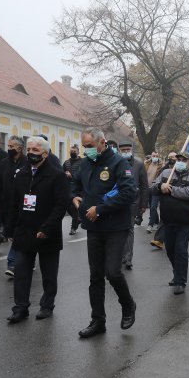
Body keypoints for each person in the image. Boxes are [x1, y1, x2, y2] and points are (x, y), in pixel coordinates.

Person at [72, 128, 137, 338]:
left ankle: (128, 305)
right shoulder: (85, 164)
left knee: (113, 272)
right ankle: (97, 320)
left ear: (102, 142)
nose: (86, 151)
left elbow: (128, 193)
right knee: (95, 276)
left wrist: (100, 208)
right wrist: (74, 197)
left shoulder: (119, 163)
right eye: (84, 147)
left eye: (89, 147)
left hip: (116, 226)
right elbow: (74, 184)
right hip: (94, 227)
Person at [5, 137, 69, 323]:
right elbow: (14, 203)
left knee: (49, 274)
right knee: (21, 273)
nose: (31, 152)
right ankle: (20, 308)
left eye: (35, 149)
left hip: (47, 233)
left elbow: (60, 205)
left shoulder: (57, 176)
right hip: (24, 232)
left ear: (45, 154)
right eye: (29, 149)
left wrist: (47, 228)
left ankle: (47, 305)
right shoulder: (22, 174)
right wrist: (9, 229)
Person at [151, 152, 189, 294]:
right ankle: (176, 272)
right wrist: (161, 186)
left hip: (185, 220)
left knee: (181, 250)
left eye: (184, 160)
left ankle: (180, 281)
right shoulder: (166, 172)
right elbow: (153, 188)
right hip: (168, 219)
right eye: (178, 159)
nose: (180, 161)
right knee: (170, 250)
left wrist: (170, 190)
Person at [0, 136, 26, 278]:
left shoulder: (28, 163)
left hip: (22, 205)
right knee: (12, 233)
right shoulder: (4, 163)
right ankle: (26, 256)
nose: (9, 149)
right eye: (8, 146)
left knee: (18, 232)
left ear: (19, 148)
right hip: (6, 205)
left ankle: (12, 262)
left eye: (12, 147)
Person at [118, 141, 148, 270]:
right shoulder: (115, 163)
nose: (125, 152)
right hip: (117, 201)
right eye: (123, 150)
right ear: (119, 151)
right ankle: (120, 255)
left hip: (133, 202)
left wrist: (143, 205)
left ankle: (128, 257)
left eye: (127, 149)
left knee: (129, 229)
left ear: (131, 149)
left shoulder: (139, 164)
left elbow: (144, 186)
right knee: (119, 230)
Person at [150, 151, 176, 250]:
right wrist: (160, 186)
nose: (171, 159)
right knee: (164, 218)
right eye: (169, 157)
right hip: (165, 198)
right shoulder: (164, 170)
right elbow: (157, 182)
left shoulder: (181, 169)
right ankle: (159, 240)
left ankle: (171, 240)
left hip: (178, 200)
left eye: (173, 157)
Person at [62, 144, 83, 235]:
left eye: (74, 151)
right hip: (67, 188)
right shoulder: (66, 162)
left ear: (78, 152)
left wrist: (72, 176)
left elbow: (83, 176)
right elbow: (61, 174)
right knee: (67, 206)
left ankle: (73, 228)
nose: (72, 153)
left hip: (78, 188)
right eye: (71, 151)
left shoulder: (82, 162)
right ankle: (78, 219)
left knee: (75, 208)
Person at [145, 151, 163, 232]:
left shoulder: (161, 166)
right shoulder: (146, 164)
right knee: (153, 208)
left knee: (153, 207)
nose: (155, 157)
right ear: (151, 156)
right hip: (147, 188)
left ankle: (150, 224)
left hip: (155, 189)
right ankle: (157, 222)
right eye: (154, 155)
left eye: (157, 156)